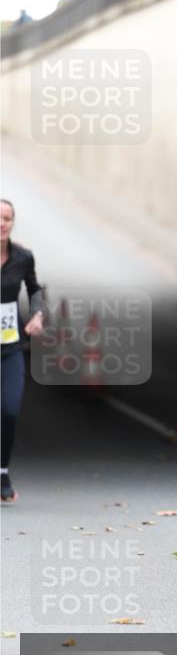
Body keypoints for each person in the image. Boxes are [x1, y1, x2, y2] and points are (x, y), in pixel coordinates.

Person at [1, 199, 45, 502]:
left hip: (10, 346)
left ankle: (2, 471)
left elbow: (34, 289)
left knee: (9, 410)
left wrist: (38, 314)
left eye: (7, 218)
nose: (2, 223)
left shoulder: (22, 257)